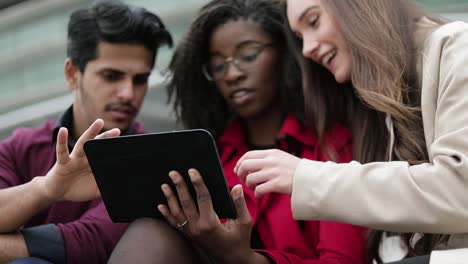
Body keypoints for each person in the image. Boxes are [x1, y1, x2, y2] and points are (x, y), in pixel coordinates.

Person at [108, 0, 366, 263]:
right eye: (218, 65)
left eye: (248, 55)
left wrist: (244, 258)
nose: (231, 75)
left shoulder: (334, 145)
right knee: (150, 230)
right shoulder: (209, 158)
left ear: (285, 54)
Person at [234, 0, 468, 263]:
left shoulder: (457, 47)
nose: (308, 49)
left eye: (313, 21)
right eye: (300, 37)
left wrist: (307, 177)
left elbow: (461, 190)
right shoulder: (376, 104)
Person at [0, 0, 172, 263]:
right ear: (72, 74)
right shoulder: (19, 148)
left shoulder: (154, 164)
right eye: (111, 76)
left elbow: (91, 244)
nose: (128, 93)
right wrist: (46, 189)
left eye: (140, 79)